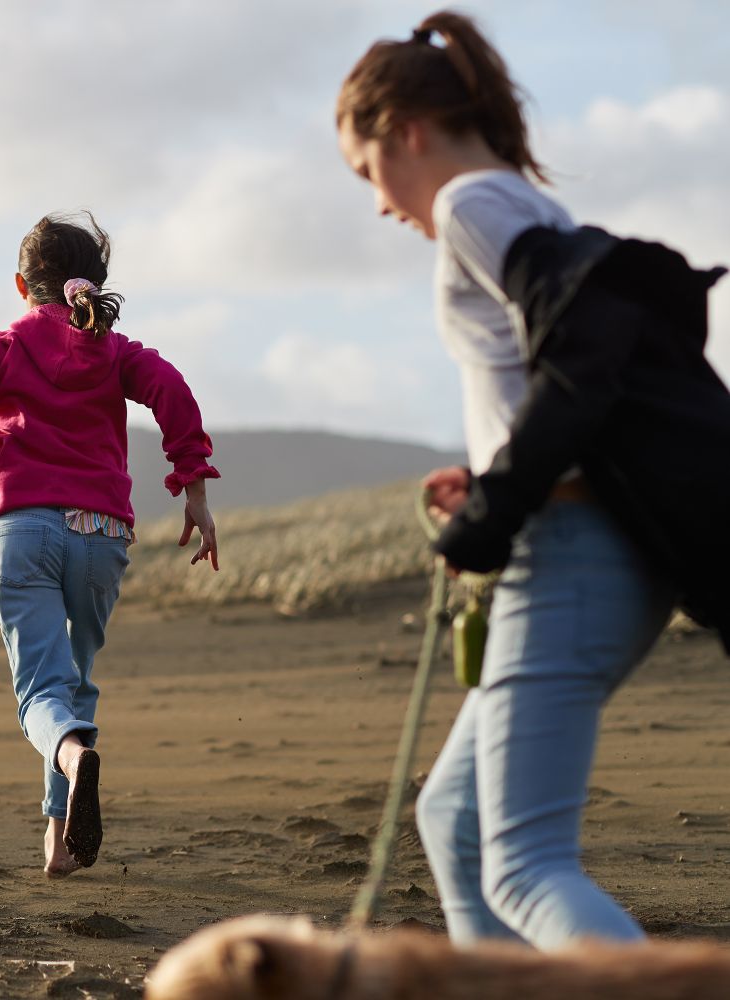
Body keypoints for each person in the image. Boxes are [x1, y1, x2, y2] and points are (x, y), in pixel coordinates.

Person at [336, 10, 729, 950]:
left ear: (406, 132)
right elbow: (566, 379)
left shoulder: (474, 203)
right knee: (455, 824)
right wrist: (488, 476)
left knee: (522, 863)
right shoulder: (519, 204)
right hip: (593, 553)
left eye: (365, 171)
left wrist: (499, 503)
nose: (380, 203)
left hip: (570, 562)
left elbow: (583, 360)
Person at [0, 212, 221, 876]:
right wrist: (193, 488)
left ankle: (70, 759)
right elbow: (172, 391)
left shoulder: (4, 343)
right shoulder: (115, 351)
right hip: (102, 533)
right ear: (93, 284)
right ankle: (60, 845)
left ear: (20, 282)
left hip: (26, 525)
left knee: (41, 694)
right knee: (75, 682)